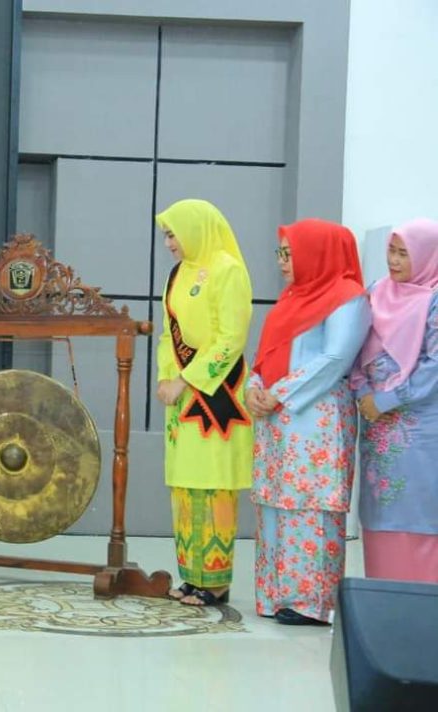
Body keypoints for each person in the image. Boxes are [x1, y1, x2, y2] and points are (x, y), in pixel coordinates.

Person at [248, 219, 369, 625]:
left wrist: (278, 393)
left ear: (317, 253)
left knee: (310, 506)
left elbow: (336, 359)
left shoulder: (348, 298)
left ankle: (310, 603)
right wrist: (253, 387)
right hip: (276, 419)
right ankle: (275, 595)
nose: (283, 262)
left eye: (290, 253)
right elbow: (266, 355)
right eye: (280, 253)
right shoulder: (290, 299)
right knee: (274, 503)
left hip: (316, 420)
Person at [155, 199, 253, 607]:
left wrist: (187, 379)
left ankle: (215, 582)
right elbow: (166, 332)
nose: (169, 244)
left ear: (196, 229)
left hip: (216, 396)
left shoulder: (228, 270)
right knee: (185, 486)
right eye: (167, 235)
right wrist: (165, 376)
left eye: (173, 234)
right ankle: (192, 577)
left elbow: (231, 338)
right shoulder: (178, 274)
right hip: (180, 395)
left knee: (213, 486)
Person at [351, 218, 438, 584]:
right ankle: (381, 609)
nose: (395, 260)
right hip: (376, 429)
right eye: (391, 250)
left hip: (419, 432)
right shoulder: (377, 292)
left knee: (418, 515)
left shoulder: (433, 301)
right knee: (378, 516)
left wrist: (386, 400)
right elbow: (355, 354)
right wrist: (362, 393)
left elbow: (434, 367)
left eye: (404, 253)